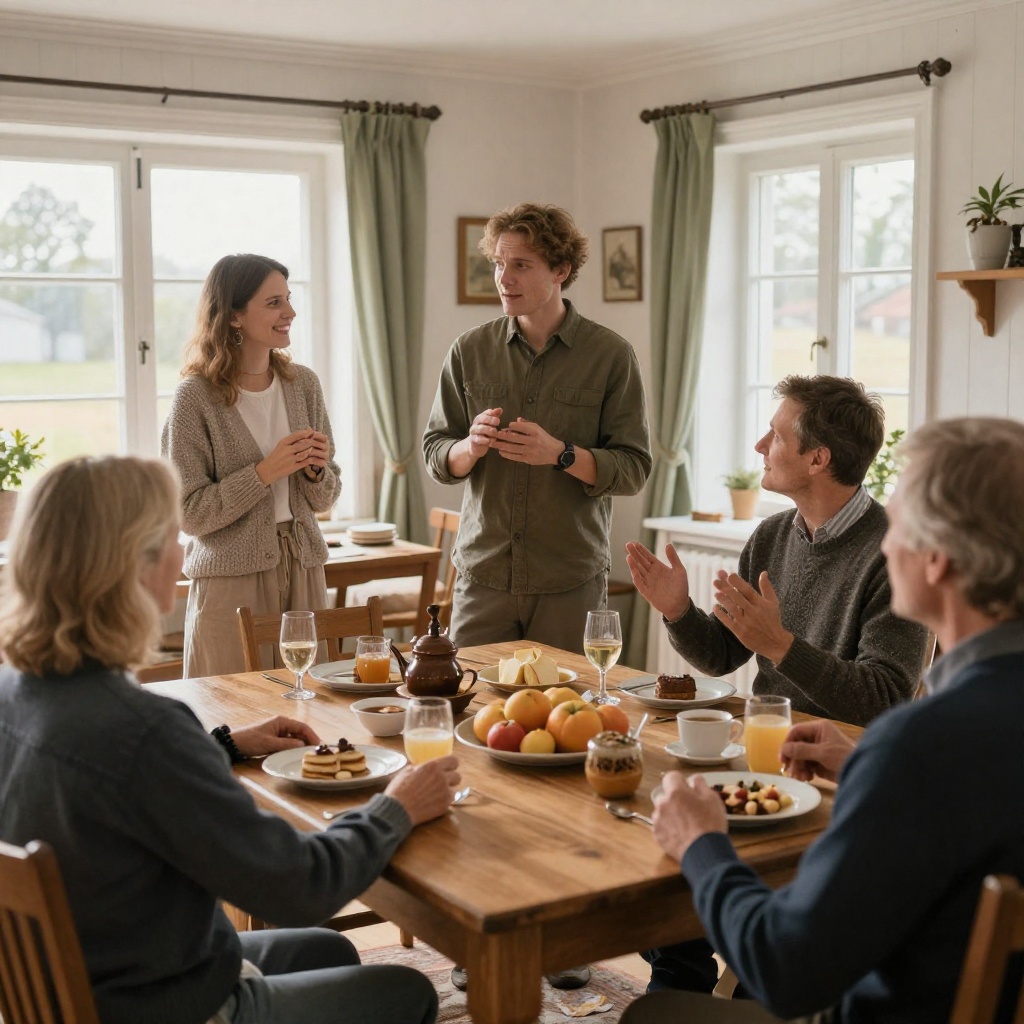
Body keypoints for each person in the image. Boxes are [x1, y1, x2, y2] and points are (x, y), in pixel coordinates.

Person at [0, 455, 460, 1024]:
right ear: (133, 567)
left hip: (92, 977)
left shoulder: (14, 692)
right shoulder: (144, 734)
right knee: (407, 992)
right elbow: (301, 886)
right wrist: (396, 809)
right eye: (173, 538)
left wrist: (222, 744)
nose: (183, 557)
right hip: (163, 1005)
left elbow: (107, 775)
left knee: (328, 950)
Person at [622, 417, 1024, 1024]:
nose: (886, 542)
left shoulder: (918, 747)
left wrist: (700, 843)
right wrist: (868, 761)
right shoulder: (941, 740)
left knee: (655, 1016)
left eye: (902, 523)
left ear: (937, 559)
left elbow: (787, 970)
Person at [627, 374, 927, 728]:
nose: (759, 445)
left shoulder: (897, 553)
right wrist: (679, 611)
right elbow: (721, 654)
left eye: (777, 436)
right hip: (767, 736)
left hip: (844, 755)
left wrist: (782, 647)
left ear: (817, 460)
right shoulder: (772, 534)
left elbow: (884, 701)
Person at [423, 202, 652, 654]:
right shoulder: (468, 350)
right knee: (470, 709)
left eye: (521, 265)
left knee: (566, 716)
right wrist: (468, 449)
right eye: (498, 264)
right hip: (482, 576)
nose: (504, 279)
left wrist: (562, 455)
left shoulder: (610, 356)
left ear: (561, 270)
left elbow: (633, 469)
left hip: (569, 581)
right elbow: (435, 451)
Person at [162, 253, 340, 676]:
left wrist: (316, 472)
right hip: (230, 580)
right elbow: (188, 513)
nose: (290, 312)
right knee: (228, 706)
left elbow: (327, 493)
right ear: (235, 316)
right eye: (274, 302)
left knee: (311, 703)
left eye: (289, 299)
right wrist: (264, 472)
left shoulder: (304, 385)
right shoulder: (195, 398)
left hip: (302, 568)